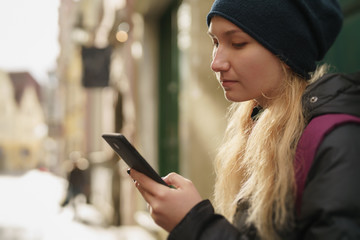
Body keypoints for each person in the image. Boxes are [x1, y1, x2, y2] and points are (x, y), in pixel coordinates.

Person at [129, 0, 360, 239]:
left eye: (237, 43)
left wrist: (196, 225)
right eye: (215, 42)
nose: (216, 63)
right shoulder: (260, 125)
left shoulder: (339, 140)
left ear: (287, 51)